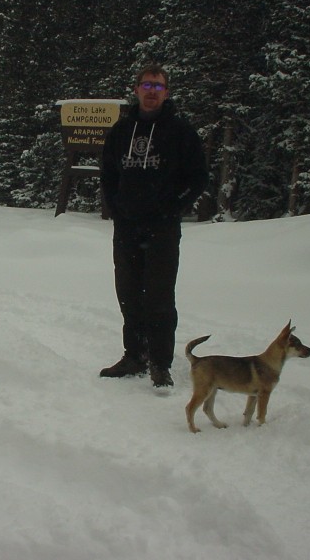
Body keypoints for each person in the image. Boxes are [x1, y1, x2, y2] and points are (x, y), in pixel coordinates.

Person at [99, 64, 209, 387]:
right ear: (136, 89)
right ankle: (134, 355)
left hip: (162, 229)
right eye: (146, 85)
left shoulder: (180, 132)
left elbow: (198, 178)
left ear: (166, 93)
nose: (151, 91)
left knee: (159, 296)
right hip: (127, 228)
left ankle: (160, 363)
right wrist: (117, 208)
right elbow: (108, 175)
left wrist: (172, 207)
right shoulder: (120, 131)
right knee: (128, 293)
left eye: (158, 87)